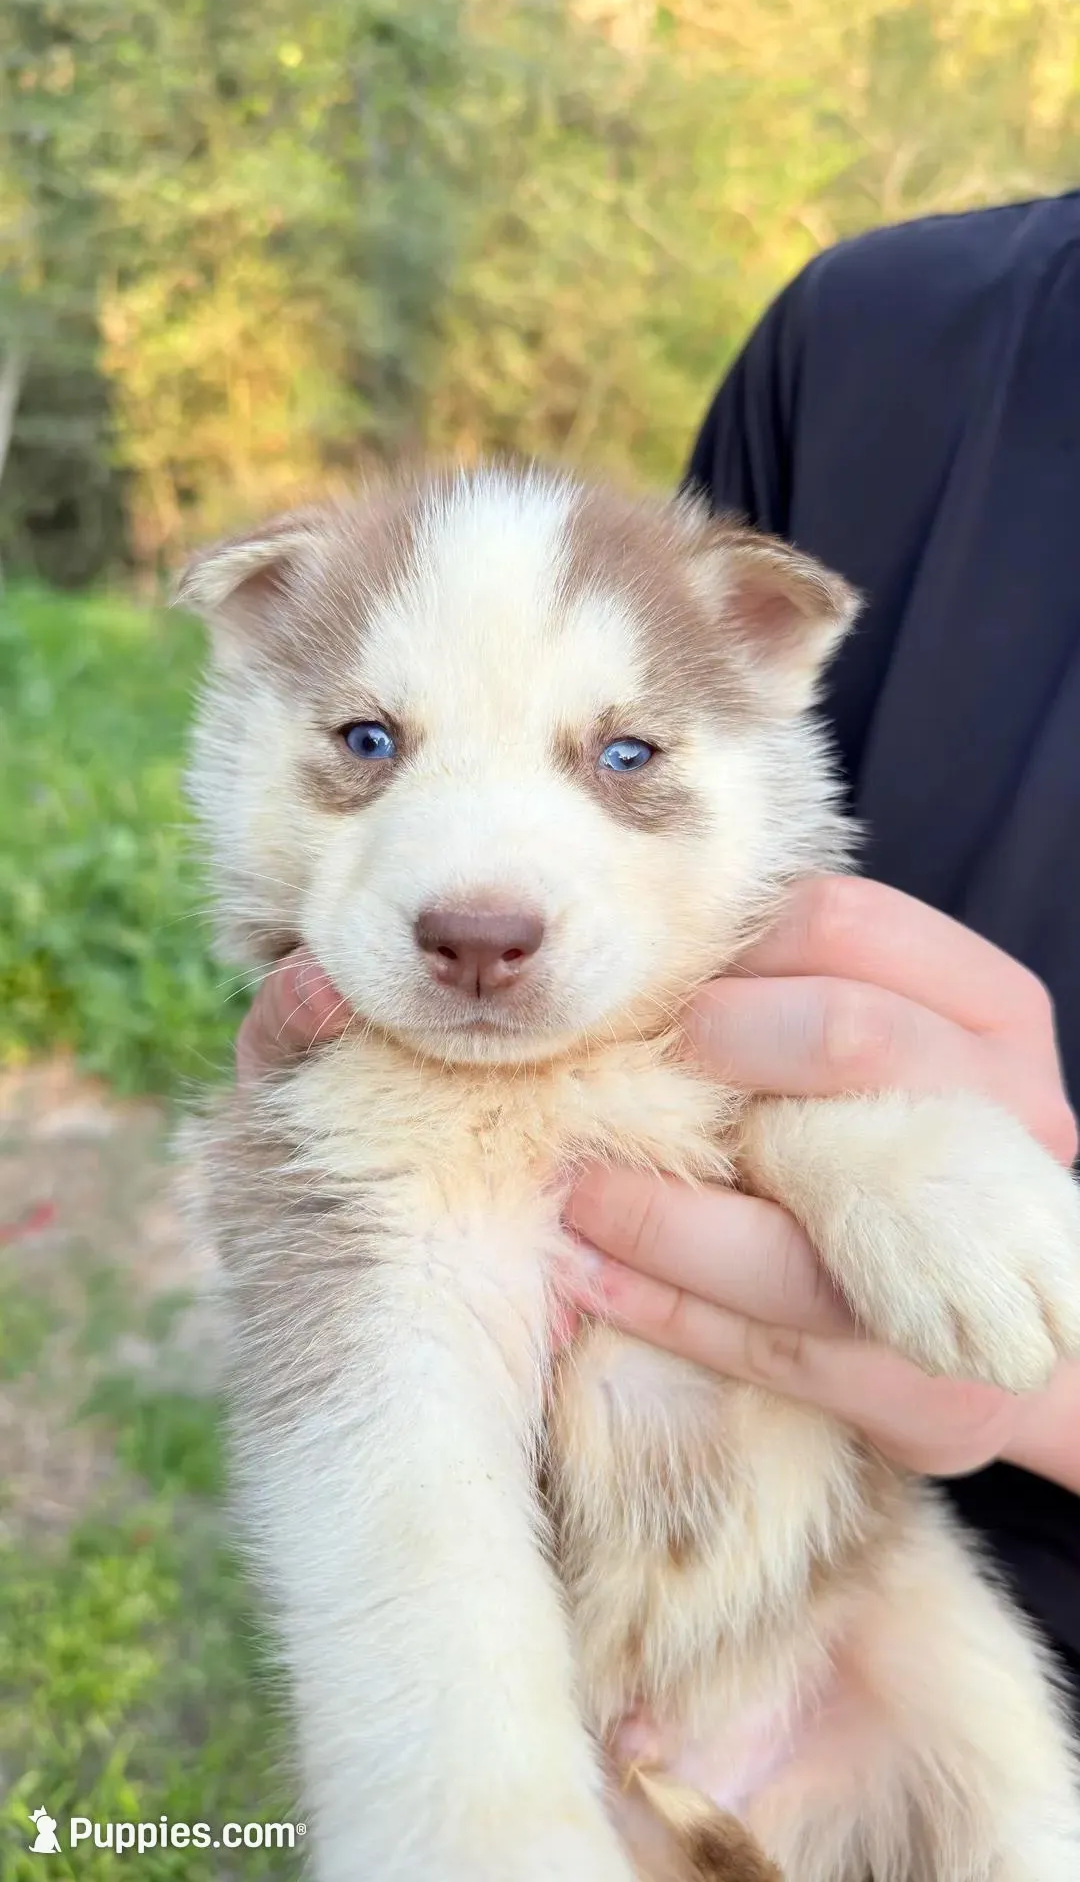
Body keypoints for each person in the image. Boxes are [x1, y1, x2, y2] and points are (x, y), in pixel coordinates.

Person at [235, 191, 1080, 1725]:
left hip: (917, 1623)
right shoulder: (866, 336)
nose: (482, 898)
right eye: (369, 741)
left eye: (621, 754)